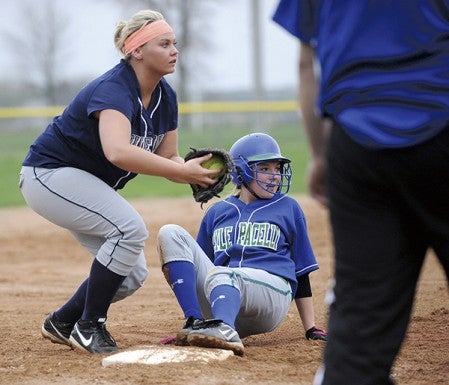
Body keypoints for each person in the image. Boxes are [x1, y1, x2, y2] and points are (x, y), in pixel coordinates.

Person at [19, 9, 221, 354]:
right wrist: (179, 171)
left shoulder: (166, 97)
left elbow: (168, 156)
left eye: (175, 43)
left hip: (81, 184)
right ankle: (89, 326)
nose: (175, 50)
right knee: (129, 230)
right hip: (49, 174)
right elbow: (117, 152)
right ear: (137, 51)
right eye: (164, 43)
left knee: (129, 274)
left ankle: (63, 321)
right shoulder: (114, 89)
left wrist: (193, 170)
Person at [273, 1, 449, 384]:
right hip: (440, 117)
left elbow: (307, 64)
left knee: (362, 322)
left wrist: (319, 155)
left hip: (356, 142)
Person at [157, 132, 327, 356]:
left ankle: (224, 330)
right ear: (242, 172)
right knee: (170, 233)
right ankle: (195, 322)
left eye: (277, 168)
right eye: (265, 168)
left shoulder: (288, 208)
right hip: (223, 301)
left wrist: (311, 327)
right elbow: (201, 268)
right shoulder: (217, 212)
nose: (275, 176)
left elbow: (301, 272)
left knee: (226, 274)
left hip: (270, 297)